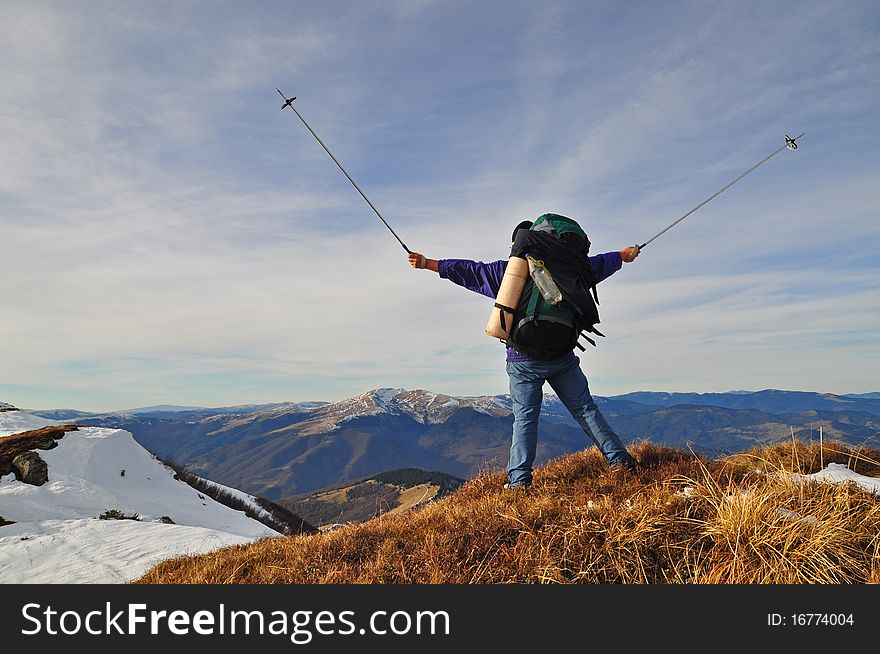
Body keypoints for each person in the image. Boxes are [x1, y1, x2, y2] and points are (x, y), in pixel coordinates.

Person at [408, 220, 641, 490]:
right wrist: (624, 256)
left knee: (525, 417)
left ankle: (519, 481)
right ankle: (619, 461)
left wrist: (427, 263)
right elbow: (604, 262)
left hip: (523, 360)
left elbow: (469, 271)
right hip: (562, 356)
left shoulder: (509, 272)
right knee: (585, 409)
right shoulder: (574, 268)